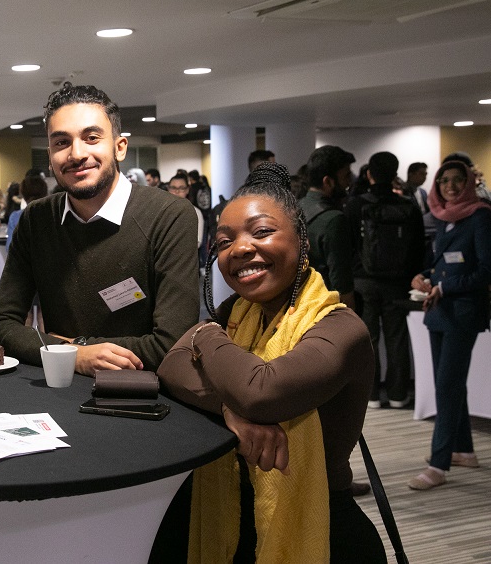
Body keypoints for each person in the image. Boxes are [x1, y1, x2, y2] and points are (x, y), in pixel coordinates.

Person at [158, 162, 384, 563]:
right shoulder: (238, 312)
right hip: (233, 519)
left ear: (302, 242)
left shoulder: (341, 328)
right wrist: (229, 410)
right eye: (224, 241)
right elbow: (171, 367)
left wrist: (203, 334)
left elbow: (261, 392)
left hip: (324, 531)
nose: (240, 248)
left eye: (261, 232)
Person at [0, 82, 198, 374]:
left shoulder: (169, 215)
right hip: (57, 387)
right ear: (50, 156)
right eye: (62, 142)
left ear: (119, 148)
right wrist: (75, 355)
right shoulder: (37, 218)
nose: (76, 153)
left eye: (92, 138)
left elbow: (173, 345)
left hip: (142, 391)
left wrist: (75, 347)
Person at [407, 160, 490, 490]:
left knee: (447, 385)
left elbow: (485, 271)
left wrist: (445, 286)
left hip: (463, 314)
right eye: (444, 181)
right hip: (439, 311)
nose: (451, 187)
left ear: (469, 182)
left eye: (457, 180)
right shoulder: (443, 217)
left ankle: (439, 464)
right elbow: (441, 264)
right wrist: (424, 277)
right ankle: (464, 450)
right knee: (451, 383)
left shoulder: (480, 216)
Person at [345, 151, 425, 409]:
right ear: (395, 174)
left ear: (369, 173)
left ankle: (371, 396)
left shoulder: (355, 205)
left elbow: (348, 245)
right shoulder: (408, 206)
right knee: (396, 338)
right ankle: (398, 395)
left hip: (363, 282)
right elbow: (418, 247)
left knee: (368, 339)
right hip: (397, 282)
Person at [300, 145, 357, 309]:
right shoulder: (334, 220)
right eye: (346, 176)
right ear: (328, 181)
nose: (349, 182)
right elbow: (341, 282)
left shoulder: (293, 208)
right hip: (324, 307)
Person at [6, 173, 48, 249]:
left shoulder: (16, 217)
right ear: (45, 193)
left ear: (22, 194)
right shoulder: (55, 215)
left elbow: (10, 247)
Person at [168, 172, 205, 250]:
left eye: (181, 188)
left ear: (187, 190)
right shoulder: (162, 211)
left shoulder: (195, 212)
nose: (177, 192)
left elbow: (197, 241)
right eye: (173, 188)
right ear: (168, 189)